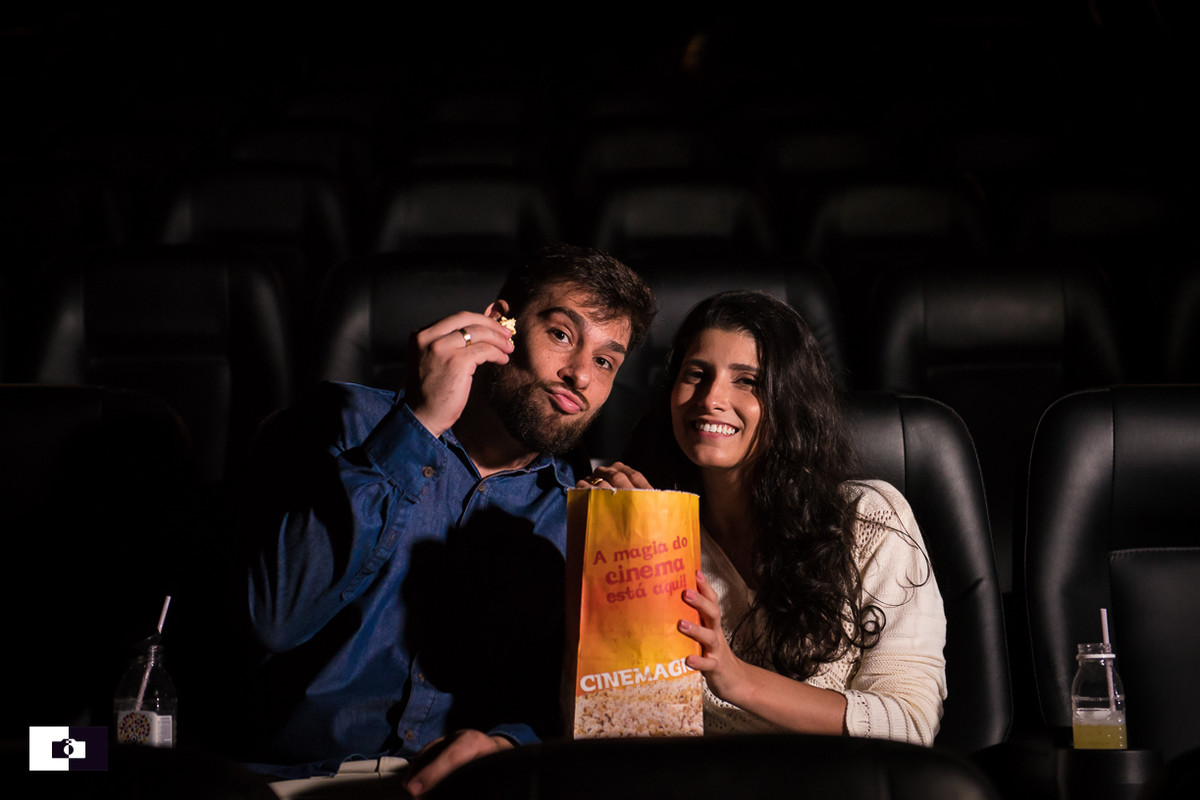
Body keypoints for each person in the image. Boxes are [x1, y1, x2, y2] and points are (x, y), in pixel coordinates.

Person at [231, 245, 656, 796]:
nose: (579, 374)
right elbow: (274, 619)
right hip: (288, 782)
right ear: (499, 324)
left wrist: (507, 745)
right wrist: (420, 423)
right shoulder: (341, 421)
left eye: (604, 362)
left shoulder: (582, 506)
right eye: (561, 334)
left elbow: (570, 704)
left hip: (456, 791)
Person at [585, 290, 947, 745]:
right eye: (696, 374)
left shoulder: (868, 519)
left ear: (788, 400)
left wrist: (736, 679)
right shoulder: (643, 526)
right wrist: (622, 542)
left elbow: (909, 726)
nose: (712, 398)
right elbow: (617, 724)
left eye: (748, 381)